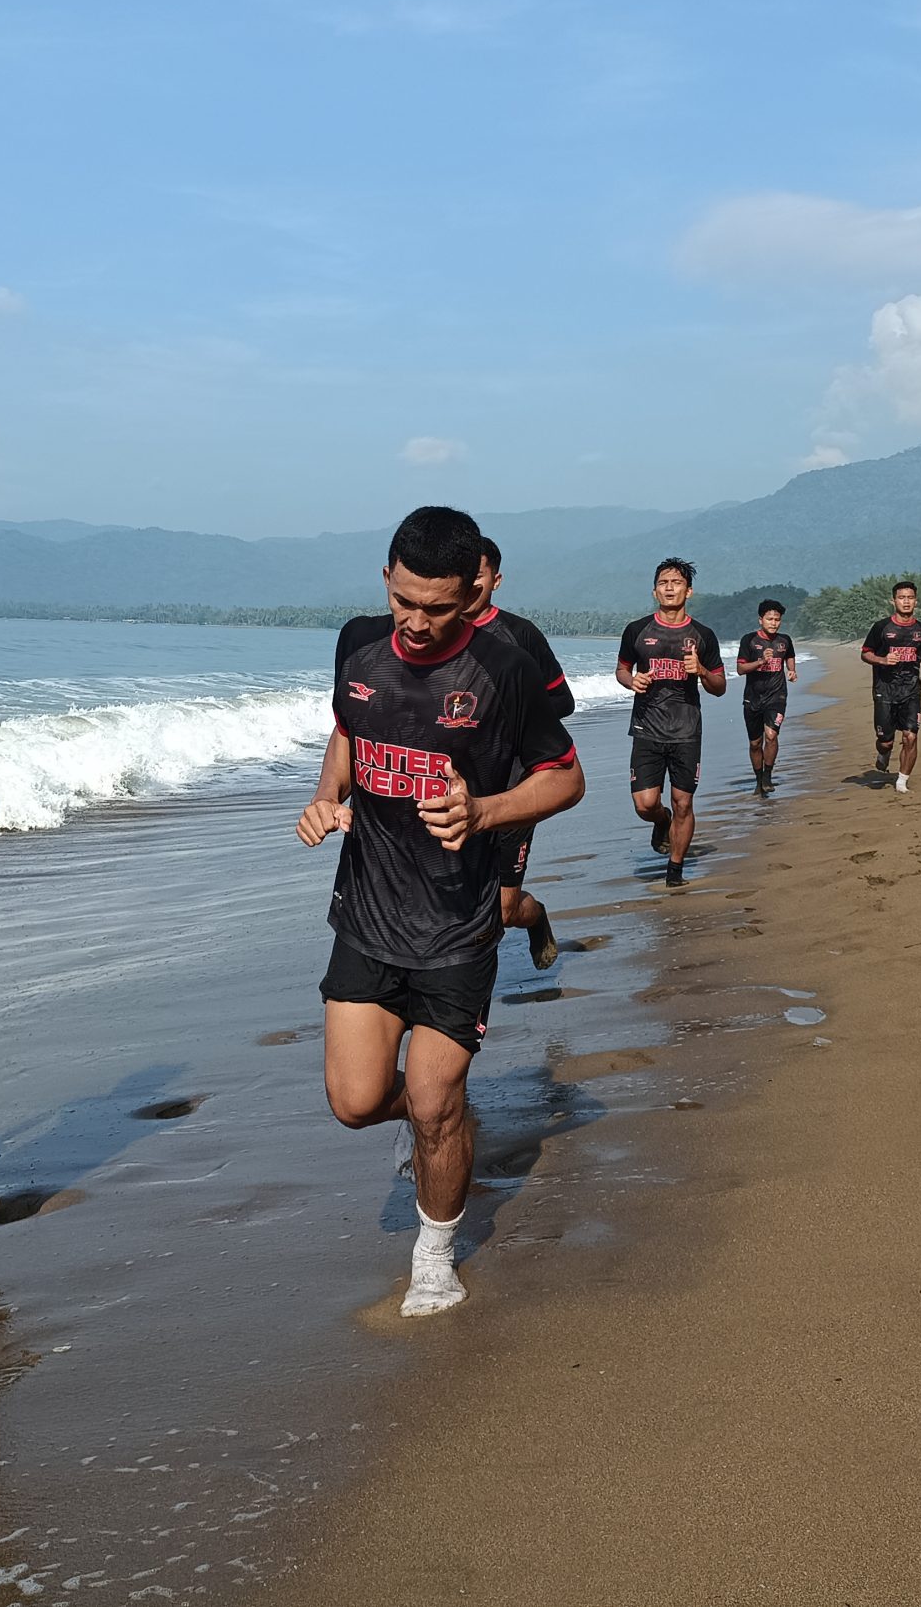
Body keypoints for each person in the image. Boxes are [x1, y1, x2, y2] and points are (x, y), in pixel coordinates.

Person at [298, 506, 583, 1316]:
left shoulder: (505, 666)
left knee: (430, 1100)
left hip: (459, 922)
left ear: (474, 590)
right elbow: (349, 731)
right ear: (387, 578)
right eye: (405, 603)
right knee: (355, 1102)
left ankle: (434, 1254)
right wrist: (327, 798)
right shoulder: (356, 643)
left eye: (438, 608)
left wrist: (483, 813)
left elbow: (565, 778)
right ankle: (444, 1117)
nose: (418, 624)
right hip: (369, 912)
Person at [468, 536, 574, 968]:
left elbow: (562, 702)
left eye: (477, 574)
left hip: (515, 789)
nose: (468, 583)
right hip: (453, 790)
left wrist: (507, 715)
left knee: (505, 910)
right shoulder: (433, 634)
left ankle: (537, 919)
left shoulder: (519, 635)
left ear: (496, 578)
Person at [617, 559, 725, 887]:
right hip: (647, 728)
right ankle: (660, 821)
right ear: (654, 590)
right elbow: (622, 669)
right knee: (645, 804)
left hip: (686, 730)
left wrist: (702, 672)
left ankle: (674, 870)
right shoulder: (637, 630)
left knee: (684, 801)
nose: (669, 587)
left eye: (676, 582)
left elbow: (720, 687)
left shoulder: (702, 636)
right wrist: (630, 681)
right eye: (663, 582)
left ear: (688, 591)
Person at [859, 580, 921, 791]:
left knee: (910, 735)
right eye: (902, 597)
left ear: (916, 601)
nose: (906, 601)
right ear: (893, 601)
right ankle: (883, 753)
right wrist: (883, 660)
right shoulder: (881, 627)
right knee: (886, 740)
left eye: (910, 598)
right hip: (884, 690)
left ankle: (901, 781)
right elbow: (865, 654)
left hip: (911, 690)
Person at [735, 600, 797, 794]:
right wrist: (761, 661)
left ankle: (768, 776)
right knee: (755, 743)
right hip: (753, 697)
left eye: (777, 620)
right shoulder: (749, 640)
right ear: (760, 619)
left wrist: (792, 670)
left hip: (777, 696)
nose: (774, 623)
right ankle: (759, 780)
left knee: (771, 736)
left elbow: (789, 656)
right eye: (769, 619)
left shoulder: (784, 640)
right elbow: (740, 669)